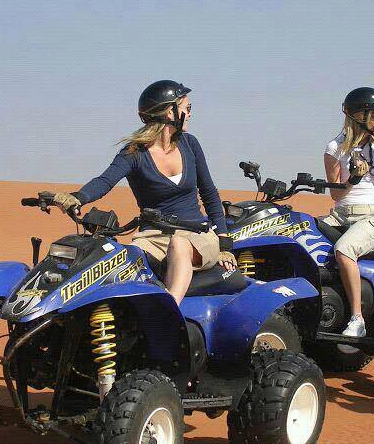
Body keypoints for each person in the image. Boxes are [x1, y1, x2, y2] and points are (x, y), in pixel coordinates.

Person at [48, 80, 237, 305]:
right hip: (153, 238)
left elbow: (209, 194)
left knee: (179, 245)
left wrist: (224, 243)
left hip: (197, 234)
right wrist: (77, 197)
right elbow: (105, 180)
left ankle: (170, 310)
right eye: (187, 108)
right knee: (121, 259)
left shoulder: (190, 144)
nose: (190, 113)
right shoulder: (134, 153)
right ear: (170, 112)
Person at [322, 87, 374, 351]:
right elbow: (335, 194)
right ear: (359, 115)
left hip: (373, 216)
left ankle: (357, 319)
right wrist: (353, 179)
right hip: (341, 215)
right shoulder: (335, 148)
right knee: (301, 233)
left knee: (344, 250)